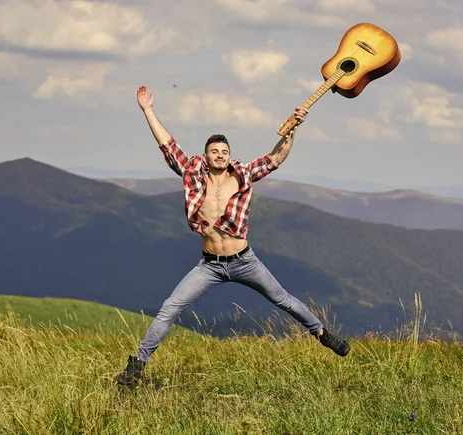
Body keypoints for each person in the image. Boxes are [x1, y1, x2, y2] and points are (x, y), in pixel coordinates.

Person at [115, 85, 351, 387]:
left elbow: (275, 158)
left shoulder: (243, 174)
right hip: (209, 264)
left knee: (282, 299)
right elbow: (167, 144)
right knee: (170, 308)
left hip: (244, 261)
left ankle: (322, 333)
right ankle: (137, 366)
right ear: (205, 155)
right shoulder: (192, 172)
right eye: (214, 151)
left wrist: (292, 130)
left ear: (230, 156)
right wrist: (148, 110)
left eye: (224, 152)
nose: (220, 155)